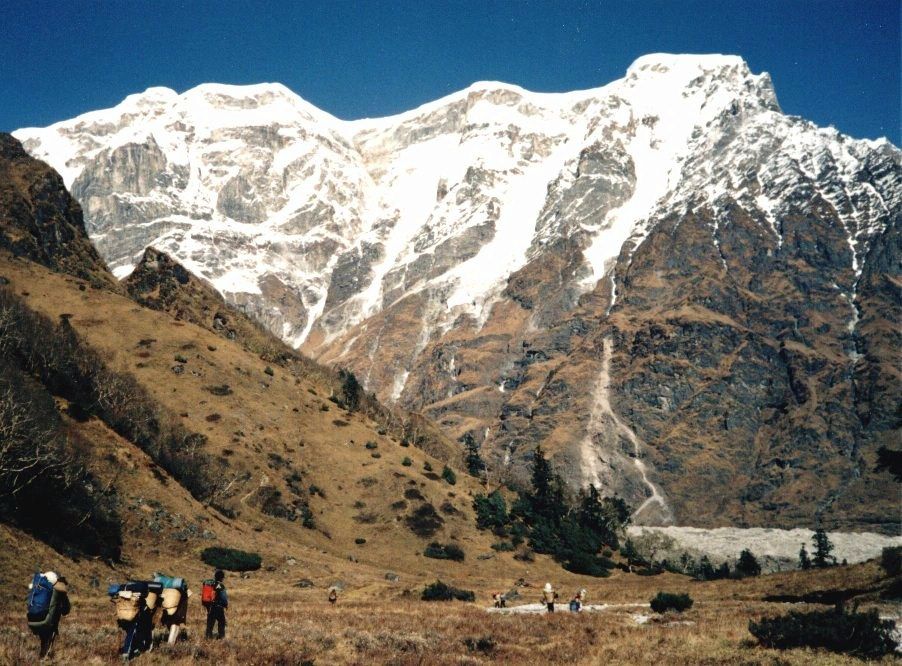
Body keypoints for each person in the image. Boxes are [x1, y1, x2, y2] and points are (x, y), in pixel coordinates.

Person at [27, 571, 70, 659]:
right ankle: (43, 660)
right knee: (47, 645)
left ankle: (41, 658)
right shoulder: (58, 591)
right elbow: (66, 610)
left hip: (34, 619)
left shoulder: (39, 588)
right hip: (49, 622)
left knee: (43, 641)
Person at [205, 570, 228, 639]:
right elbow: (223, 597)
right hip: (218, 607)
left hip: (210, 607)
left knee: (210, 623)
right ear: (221, 578)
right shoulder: (220, 585)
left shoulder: (210, 584)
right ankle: (221, 637)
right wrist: (225, 604)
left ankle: (208, 638)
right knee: (222, 622)